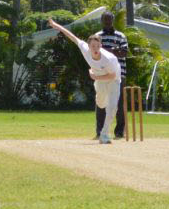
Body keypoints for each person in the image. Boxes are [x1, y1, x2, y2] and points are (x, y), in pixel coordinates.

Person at [48, 18, 120, 144]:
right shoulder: (85, 49)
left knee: (112, 107)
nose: (95, 48)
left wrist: (95, 76)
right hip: (100, 81)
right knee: (101, 103)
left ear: (101, 46)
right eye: (93, 46)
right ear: (88, 46)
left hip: (113, 79)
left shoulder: (108, 59)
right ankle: (101, 98)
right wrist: (56, 25)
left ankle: (104, 135)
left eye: (98, 46)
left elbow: (112, 75)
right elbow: (71, 36)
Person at [92, 11, 129, 140]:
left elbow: (124, 52)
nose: (107, 22)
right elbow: (94, 52)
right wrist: (113, 51)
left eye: (109, 20)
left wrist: (105, 51)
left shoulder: (120, 36)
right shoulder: (97, 36)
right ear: (102, 21)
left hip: (119, 74)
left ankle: (119, 132)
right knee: (101, 102)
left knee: (119, 103)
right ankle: (100, 131)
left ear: (112, 20)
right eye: (105, 20)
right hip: (101, 74)